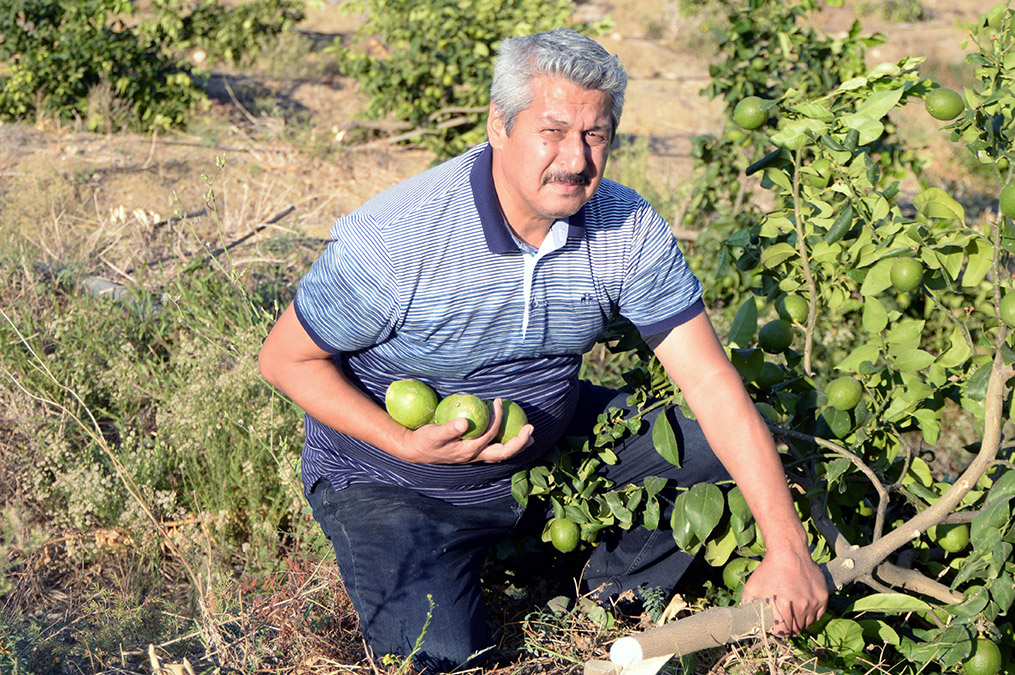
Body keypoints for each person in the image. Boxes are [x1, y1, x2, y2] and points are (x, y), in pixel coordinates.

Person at [258, 27, 827, 671]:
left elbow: (712, 384)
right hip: (394, 481)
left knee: (701, 443)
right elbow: (284, 359)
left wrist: (789, 549)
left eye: (595, 135)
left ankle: (598, 615)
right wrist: (402, 441)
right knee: (443, 659)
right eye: (552, 132)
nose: (576, 160)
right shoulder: (399, 238)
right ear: (499, 126)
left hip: (543, 456)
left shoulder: (625, 227)